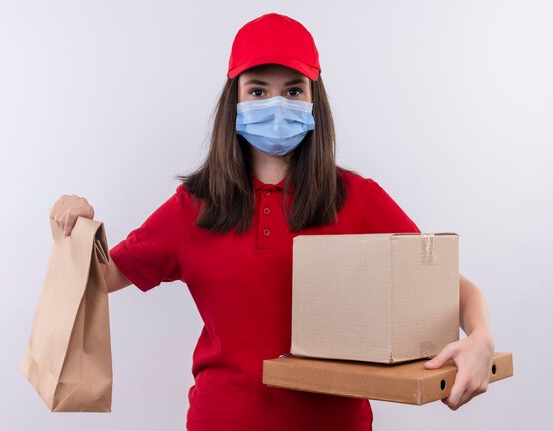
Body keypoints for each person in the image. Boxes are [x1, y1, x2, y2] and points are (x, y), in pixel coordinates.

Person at [49, 12, 495, 430]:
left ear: (314, 100)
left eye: (294, 90)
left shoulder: (358, 200)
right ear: (235, 100)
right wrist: (77, 226)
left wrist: (481, 338)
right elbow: (102, 277)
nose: (276, 104)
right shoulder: (194, 207)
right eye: (258, 91)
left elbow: (444, 288)